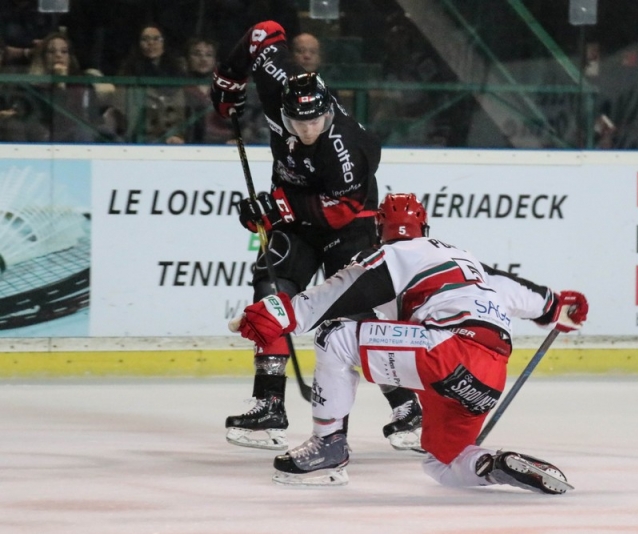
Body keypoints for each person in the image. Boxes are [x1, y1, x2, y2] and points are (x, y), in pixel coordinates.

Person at [228, 193, 589, 491]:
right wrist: (557, 306)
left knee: (334, 337)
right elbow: (529, 298)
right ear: (426, 227)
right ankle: (491, 464)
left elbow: (331, 296)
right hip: (488, 376)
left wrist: (279, 313)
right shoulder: (466, 261)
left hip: (447, 350)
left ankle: (329, 447)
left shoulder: (389, 255)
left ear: (377, 229)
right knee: (443, 462)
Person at [210, 20, 423, 452]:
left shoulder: (350, 147)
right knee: (270, 289)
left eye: (316, 122)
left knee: (353, 316)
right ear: (283, 112)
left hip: (348, 228)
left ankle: (406, 408)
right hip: (299, 221)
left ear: (328, 111)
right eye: (297, 123)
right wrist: (228, 81)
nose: (308, 131)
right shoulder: (280, 85)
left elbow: (339, 211)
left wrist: (273, 208)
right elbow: (264, 33)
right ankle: (268, 404)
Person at [117, 24, 186, 144]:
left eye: (156, 39)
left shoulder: (177, 73)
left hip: (171, 138)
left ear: (164, 43)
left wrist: (177, 135)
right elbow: (121, 109)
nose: (151, 43)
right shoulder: (128, 73)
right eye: (145, 39)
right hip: (138, 137)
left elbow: (182, 113)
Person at [183, 37, 233, 144]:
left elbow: (242, 123)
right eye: (197, 54)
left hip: (226, 145)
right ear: (187, 59)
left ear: (215, 61)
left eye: (209, 55)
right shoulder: (180, 89)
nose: (203, 59)